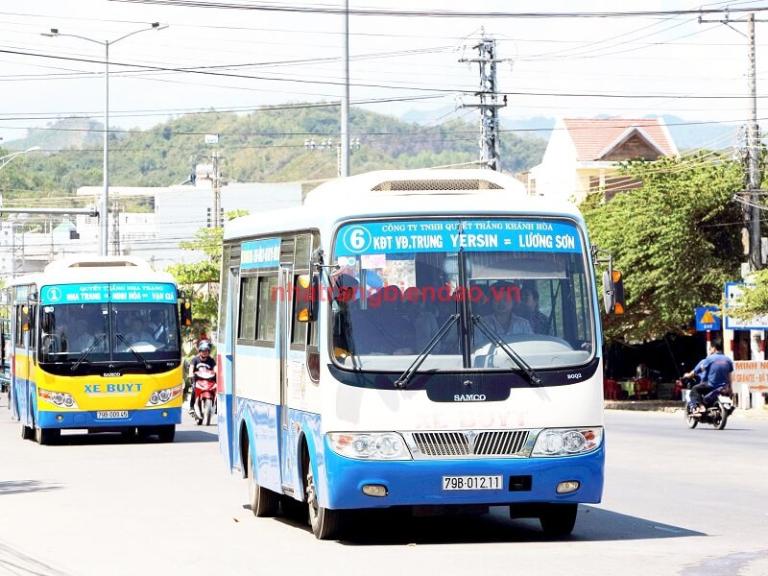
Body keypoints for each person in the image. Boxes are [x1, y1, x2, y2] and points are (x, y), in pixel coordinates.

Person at [476, 281, 532, 346]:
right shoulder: (482, 324)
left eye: (506, 299)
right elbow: (477, 348)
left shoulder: (523, 324)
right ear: (491, 301)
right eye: (497, 299)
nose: (501, 302)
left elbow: (530, 346)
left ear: (513, 302)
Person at [684, 342, 734, 413]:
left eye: (710, 349)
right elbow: (730, 376)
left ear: (714, 348)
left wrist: (688, 375)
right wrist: (730, 388)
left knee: (694, 389)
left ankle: (701, 407)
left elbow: (697, 371)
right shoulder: (728, 360)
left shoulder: (709, 359)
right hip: (724, 387)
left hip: (711, 385)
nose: (709, 351)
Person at [188, 340, 216, 415]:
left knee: (216, 389)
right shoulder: (195, 359)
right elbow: (191, 367)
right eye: (203, 351)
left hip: (208, 381)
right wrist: (191, 374)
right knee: (194, 390)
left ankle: (215, 405)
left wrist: (217, 372)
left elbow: (215, 368)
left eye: (206, 351)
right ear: (200, 351)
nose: (205, 352)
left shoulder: (211, 360)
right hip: (198, 381)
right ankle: (191, 407)